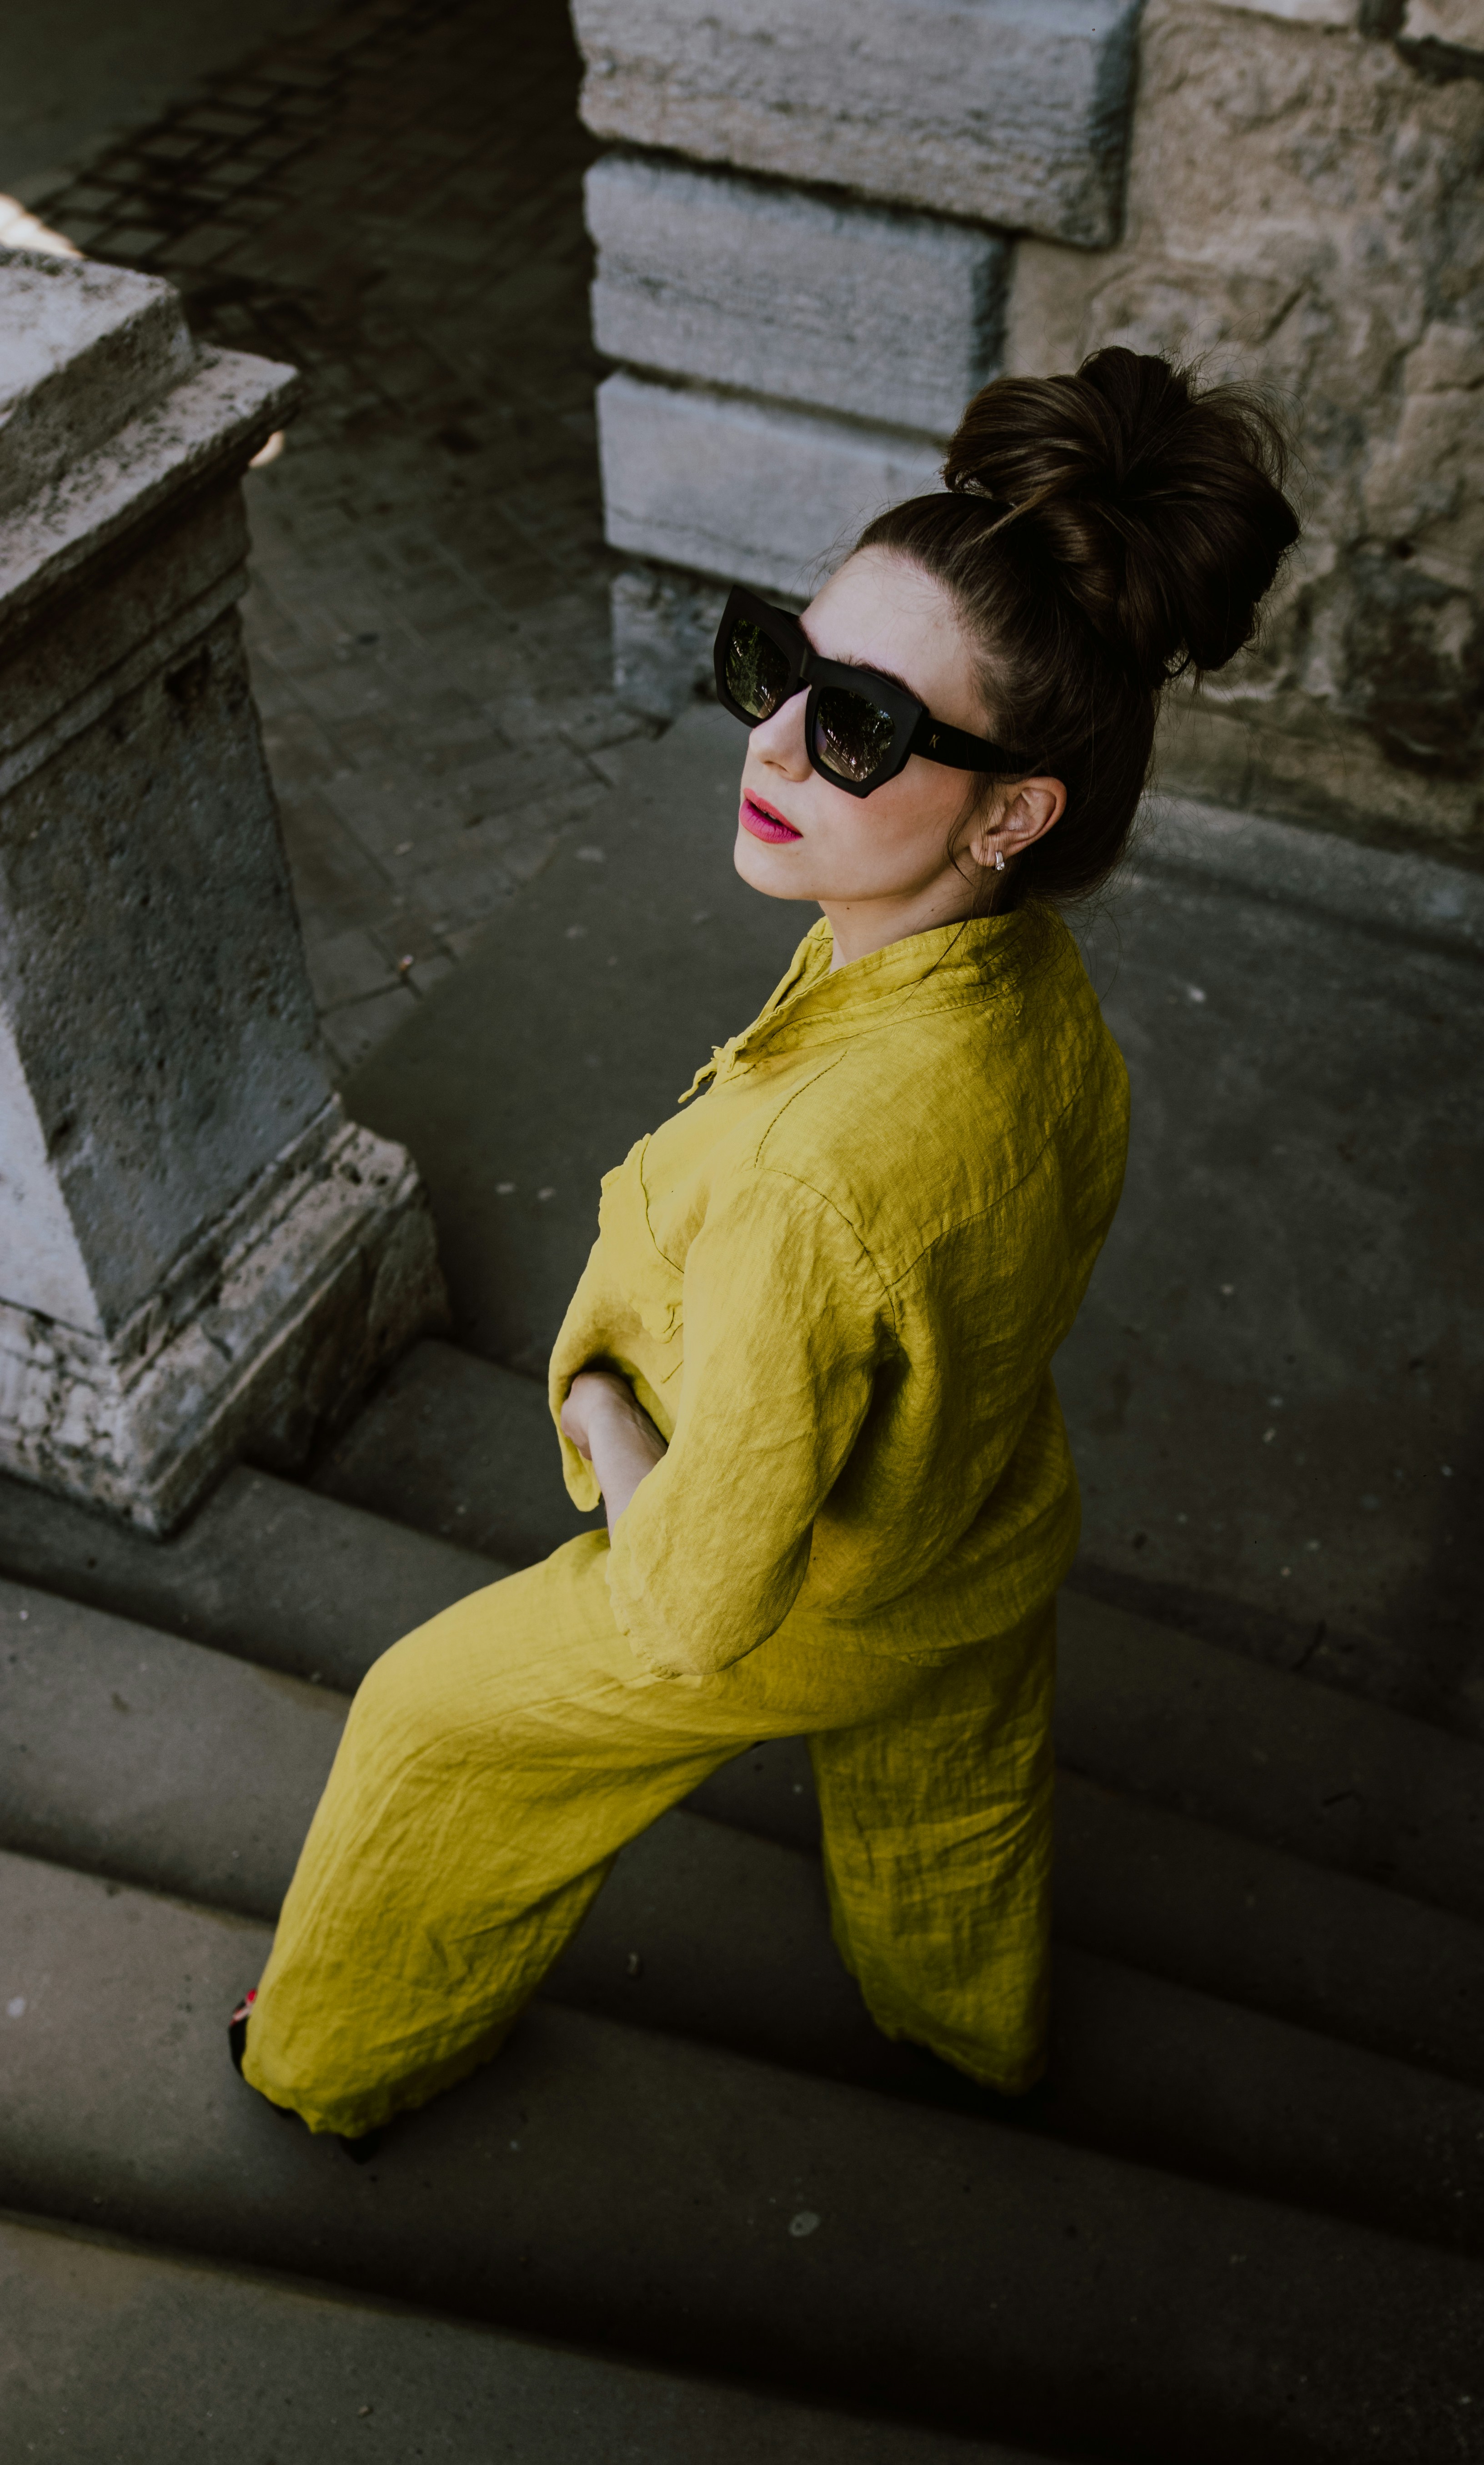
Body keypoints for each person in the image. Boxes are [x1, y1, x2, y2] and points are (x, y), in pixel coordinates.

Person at [229, 347, 1300, 2146]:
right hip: (977, 1526)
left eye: (859, 726)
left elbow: (695, 1605)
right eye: (775, 663)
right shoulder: (1027, 987)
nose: (774, 740)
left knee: (433, 1723)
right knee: (951, 1789)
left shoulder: (817, 1178)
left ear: (1012, 812)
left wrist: (600, 1407)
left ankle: (322, 2054)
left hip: (821, 1590)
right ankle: (971, 2035)